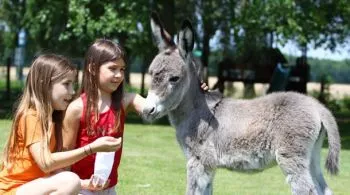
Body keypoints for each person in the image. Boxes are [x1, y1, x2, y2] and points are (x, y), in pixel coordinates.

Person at [63, 39, 209, 195]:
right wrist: (77, 186)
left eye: (122, 69)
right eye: (112, 68)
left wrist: (191, 92)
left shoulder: (126, 101)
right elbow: (65, 157)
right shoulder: (76, 109)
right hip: (80, 189)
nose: (119, 75)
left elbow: (156, 107)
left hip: (110, 189)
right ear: (92, 68)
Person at [0, 54, 122, 195]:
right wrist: (91, 148)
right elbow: (46, 163)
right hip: (13, 189)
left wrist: (84, 183)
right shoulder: (30, 116)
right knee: (70, 181)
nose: (72, 91)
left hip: (34, 187)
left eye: (73, 84)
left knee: (72, 181)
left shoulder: (54, 119)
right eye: (66, 84)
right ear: (43, 84)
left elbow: (53, 169)